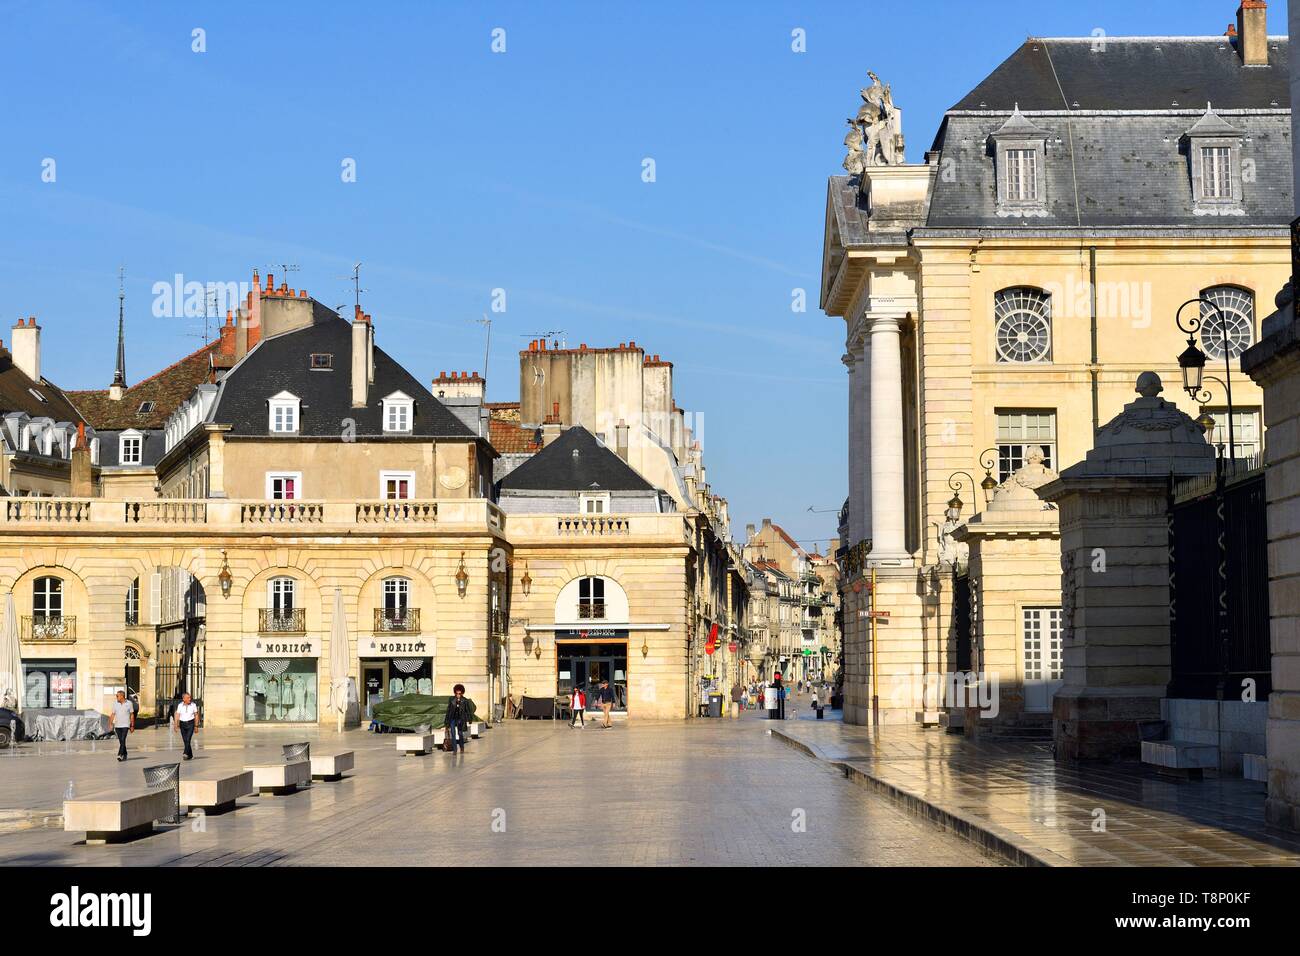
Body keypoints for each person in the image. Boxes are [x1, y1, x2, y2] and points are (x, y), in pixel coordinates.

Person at [444, 684, 471, 753]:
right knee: (453, 733)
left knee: (460, 733)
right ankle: (455, 750)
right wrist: (446, 722)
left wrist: (469, 719)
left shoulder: (464, 700)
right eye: (457, 693)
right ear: (455, 693)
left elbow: (468, 710)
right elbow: (448, 711)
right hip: (452, 718)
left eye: (460, 693)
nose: (458, 695)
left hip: (460, 719)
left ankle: (461, 747)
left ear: (462, 693)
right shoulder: (451, 699)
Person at [173, 692, 199, 760]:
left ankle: (185, 753)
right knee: (185, 740)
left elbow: (196, 715)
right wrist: (175, 725)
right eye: (188, 698)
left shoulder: (193, 705)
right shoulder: (180, 705)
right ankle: (190, 755)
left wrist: (196, 726)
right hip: (182, 724)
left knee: (188, 739)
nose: (190, 699)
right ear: (184, 699)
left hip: (191, 724)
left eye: (190, 697)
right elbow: (177, 715)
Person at [110, 690, 134, 762]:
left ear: (122, 696)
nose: (116, 697)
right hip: (117, 725)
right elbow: (113, 714)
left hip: (125, 725)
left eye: (117, 696)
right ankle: (125, 753)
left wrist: (132, 725)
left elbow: (132, 714)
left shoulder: (129, 703)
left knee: (123, 739)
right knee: (121, 741)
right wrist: (110, 723)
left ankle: (120, 754)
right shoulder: (115, 704)